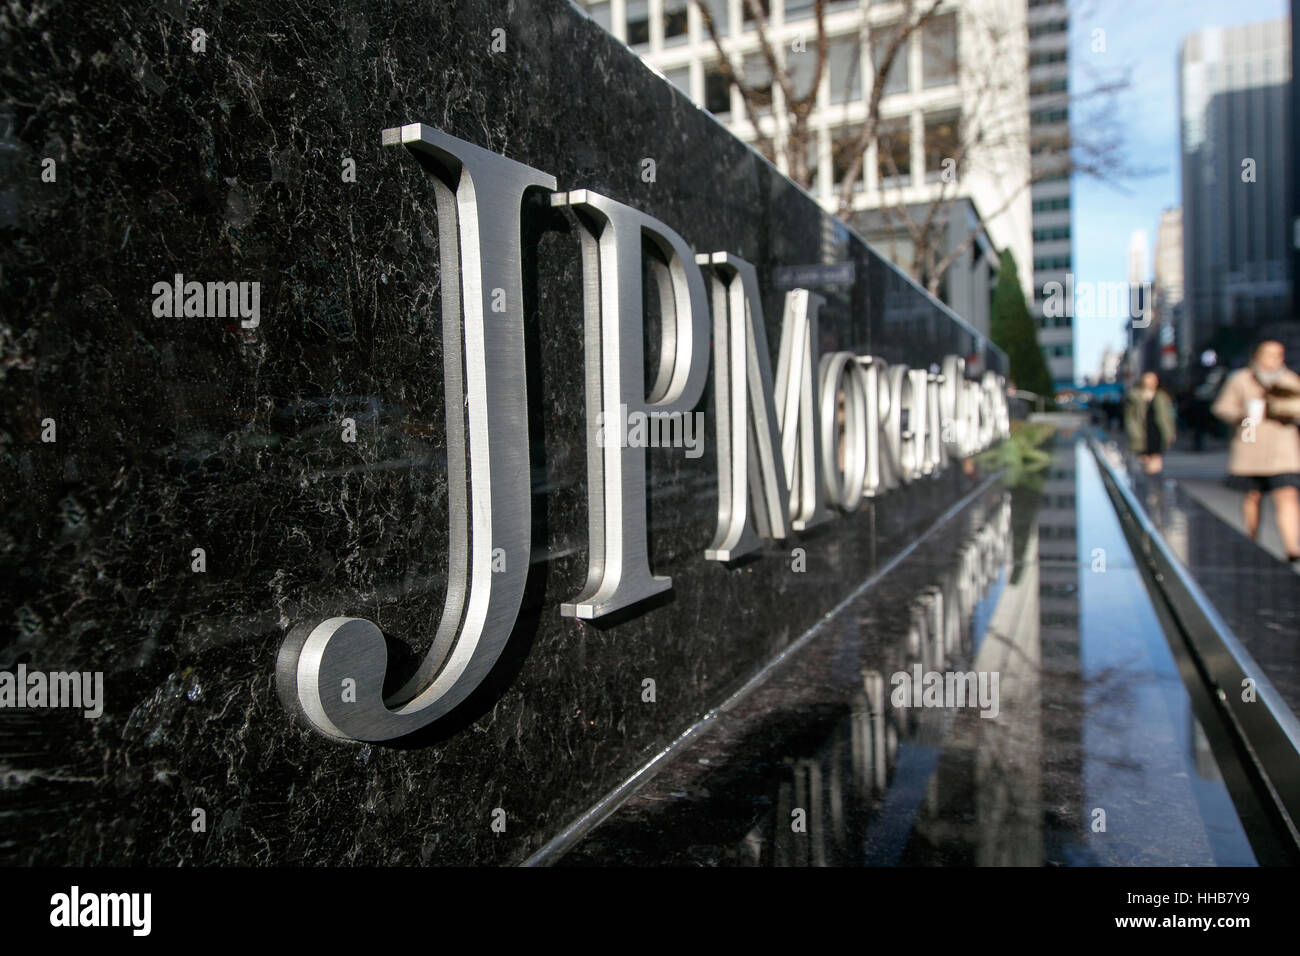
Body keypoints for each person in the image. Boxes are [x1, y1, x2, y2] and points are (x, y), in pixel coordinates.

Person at [1210, 339, 1300, 564]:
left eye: (1278, 354)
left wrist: (1288, 411)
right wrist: (1242, 415)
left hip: (1282, 447)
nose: (1273, 359)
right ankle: (1252, 540)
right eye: (1268, 354)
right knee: (1252, 496)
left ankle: (1291, 547)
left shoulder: (1290, 380)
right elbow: (1222, 407)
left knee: (1287, 495)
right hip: (1250, 444)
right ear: (1257, 355)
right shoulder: (1240, 379)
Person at [1124, 371, 1176, 475]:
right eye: (1148, 379)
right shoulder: (1134, 396)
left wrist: (1171, 432)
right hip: (1142, 430)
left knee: (1157, 456)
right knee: (1143, 457)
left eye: (1152, 379)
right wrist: (1133, 431)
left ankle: (1154, 481)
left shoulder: (1162, 396)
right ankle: (1146, 481)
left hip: (1157, 430)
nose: (1150, 382)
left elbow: (1168, 416)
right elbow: (1130, 416)